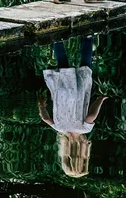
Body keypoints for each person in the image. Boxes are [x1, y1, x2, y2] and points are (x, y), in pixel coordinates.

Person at [39, 36, 107, 178]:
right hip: (63, 91)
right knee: (62, 62)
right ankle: (57, 40)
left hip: (79, 91)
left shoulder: (85, 128)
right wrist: (41, 104)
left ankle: (88, 37)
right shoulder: (59, 128)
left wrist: (100, 99)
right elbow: (45, 118)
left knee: (86, 64)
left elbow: (91, 116)